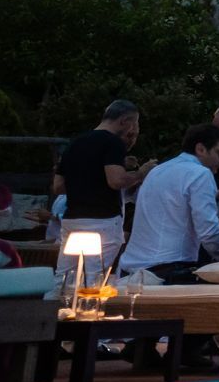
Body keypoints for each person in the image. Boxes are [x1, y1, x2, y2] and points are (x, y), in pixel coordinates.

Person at [121, 123, 219, 283]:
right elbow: (208, 232)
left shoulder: (158, 171)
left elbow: (169, 202)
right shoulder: (200, 173)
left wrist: (216, 195)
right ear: (200, 149)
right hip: (167, 271)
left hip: (129, 271)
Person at [56, 100, 156, 287]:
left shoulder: (75, 143)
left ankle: (53, 311)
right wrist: (142, 172)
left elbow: (58, 186)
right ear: (125, 121)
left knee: (64, 277)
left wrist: (91, 178)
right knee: (94, 279)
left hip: (72, 219)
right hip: (102, 221)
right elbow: (116, 181)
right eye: (134, 124)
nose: (132, 130)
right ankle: (89, 313)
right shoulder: (112, 142)